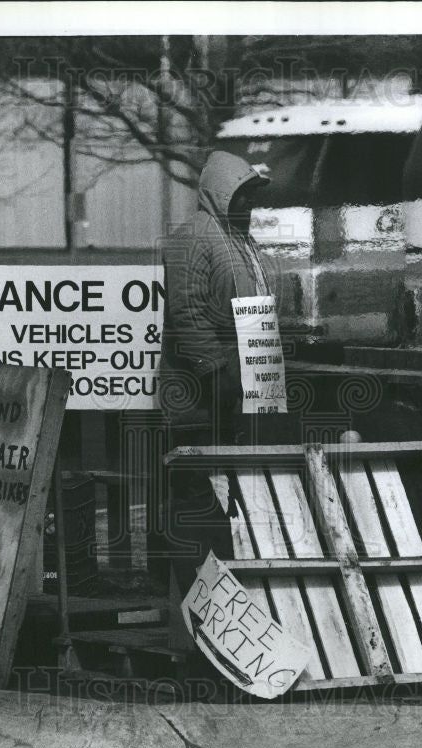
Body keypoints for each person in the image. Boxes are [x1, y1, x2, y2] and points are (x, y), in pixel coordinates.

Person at [157, 150, 273, 601]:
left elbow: (254, 309)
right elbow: (188, 316)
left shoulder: (239, 241)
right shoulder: (196, 238)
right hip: (204, 400)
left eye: (252, 198)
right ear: (220, 194)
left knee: (238, 499)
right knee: (199, 500)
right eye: (241, 196)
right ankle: (201, 603)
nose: (249, 206)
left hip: (239, 392)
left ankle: (236, 596)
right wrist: (218, 375)